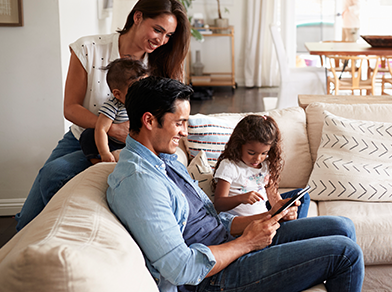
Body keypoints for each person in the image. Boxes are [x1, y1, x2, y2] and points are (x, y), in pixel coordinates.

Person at [107, 76, 364, 292]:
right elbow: (180, 268)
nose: (184, 132)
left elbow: (212, 219)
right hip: (213, 277)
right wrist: (248, 242)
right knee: (345, 253)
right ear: (149, 121)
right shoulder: (139, 182)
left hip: (229, 242)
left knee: (342, 226)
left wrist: (267, 217)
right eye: (179, 122)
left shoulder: (165, 159)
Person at [15, 0, 191, 231]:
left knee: (54, 174)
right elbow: (71, 108)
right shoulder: (89, 48)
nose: (161, 40)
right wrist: (112, 128)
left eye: (168, 35)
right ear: (137, 17)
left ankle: (58, 234)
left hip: (128, 145)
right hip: (83, 135)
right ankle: (31, 241)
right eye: (157, 30)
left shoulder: (160, 64)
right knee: (30, 212)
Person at [213, 114, 310, 218]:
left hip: (266, 218)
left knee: (302, 196)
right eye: (251, 153)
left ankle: (294, 226)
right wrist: (241, 198)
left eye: (264, 153)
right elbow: (218, 204)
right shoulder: (230, 166)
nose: (258, 159)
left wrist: (284, 213)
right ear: (238, 145)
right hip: (245, 224)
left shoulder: (265, 165)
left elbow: (274, 199)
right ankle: (296, 229)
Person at [79, 58, 148, 164]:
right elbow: (101, 129)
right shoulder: (113, 106)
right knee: (89, 134)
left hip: (134, 143)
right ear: (117, 94)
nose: (142, 95)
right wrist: (105, 152)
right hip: (113, 143)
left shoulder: (145, 103)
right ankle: (97, 161)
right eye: (135, 91)